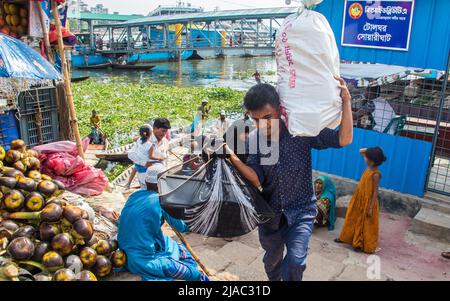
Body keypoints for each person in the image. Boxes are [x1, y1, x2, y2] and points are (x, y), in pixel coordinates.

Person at [227, 79, 353, 281]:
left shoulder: (301, 131)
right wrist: (231, 157)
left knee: (295, 262)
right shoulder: (253, 141)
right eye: (256, 120)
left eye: (268, 117)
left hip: (301, 210)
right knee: (272, 261)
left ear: (279, 110)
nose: (263, 124)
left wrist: (347, 101)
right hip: (269, 215)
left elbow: (344, 139)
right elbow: (256, 178)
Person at [117, 168, 208, 281]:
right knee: (191, 273)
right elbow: (181, 227)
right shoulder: (162, 201)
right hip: (142, 260)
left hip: (125, 254)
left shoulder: (134, 196)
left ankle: (186, 265)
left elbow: (123, 221)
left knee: (174, 245)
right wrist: (198, 221)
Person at [335, 147, 387, 254]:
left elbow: (375, 192)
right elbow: (360, 150)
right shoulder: (368, 168)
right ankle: (347, 238)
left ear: (371, 161)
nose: (364, 158)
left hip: (368, 203)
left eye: (366, 157)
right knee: (352, 218)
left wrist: (371, 207)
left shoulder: (376, 174)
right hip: (359, 199)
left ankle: (360, 244)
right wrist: (372, 151)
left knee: (366, 225)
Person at [146, 118, 171, 183]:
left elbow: (166, 160)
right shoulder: (146, 141)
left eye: (166, 131)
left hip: (163, 176)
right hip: (149, 179)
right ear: (155, 128)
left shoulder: (165, 141)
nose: (164, 134)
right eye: (162, 131)